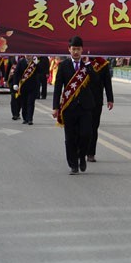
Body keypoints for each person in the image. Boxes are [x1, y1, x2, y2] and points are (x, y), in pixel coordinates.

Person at [52, 36, 99, 175]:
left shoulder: (87, 66)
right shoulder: (63, 65)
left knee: (86, 134)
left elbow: (96, 82)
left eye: (78, 49)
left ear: (82, 50)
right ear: (69, 50)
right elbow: (58, 87)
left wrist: (89, 66)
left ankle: (82, 156)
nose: (76, 52)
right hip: (69, 107)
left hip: (85, 107)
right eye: (73, 49)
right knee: (70, 137)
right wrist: (55, 107)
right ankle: (73, 164)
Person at [87, 56, 114, 162]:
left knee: (93, 127)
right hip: (79, 101)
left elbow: (107, 82)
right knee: (80, 128)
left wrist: (110, 99)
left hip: (96, 101)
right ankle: (80, 151)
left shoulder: (102, 63)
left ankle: (91, 153)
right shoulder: (78, 61)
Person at [11, 55, 41, 125]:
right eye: (27, 55)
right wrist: (15, 83)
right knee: (24, 103)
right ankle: (25, 118)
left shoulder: (35, 63)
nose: (28, 56)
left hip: (33, 86)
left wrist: (37, 64)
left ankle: (30, 119)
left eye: (30, 55)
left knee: (30, 102)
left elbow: (41, 72)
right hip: (23, 86)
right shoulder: (21, 62)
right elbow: (16, 73)